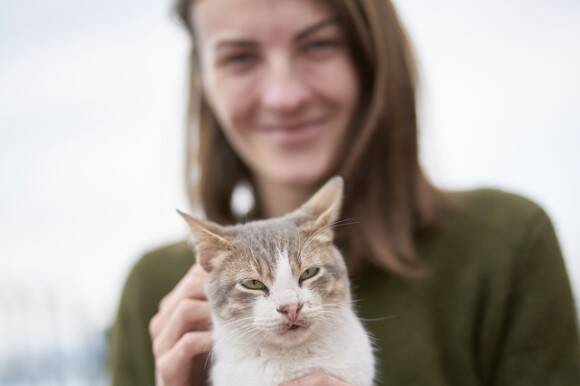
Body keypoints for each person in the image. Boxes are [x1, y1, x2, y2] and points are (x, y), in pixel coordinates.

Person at [108, 0, 580, 385]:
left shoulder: (506, 243)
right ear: (202, 79)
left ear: (372, 56)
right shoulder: (156, 293)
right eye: (240, 57)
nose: (284, 95)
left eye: (318, 45)